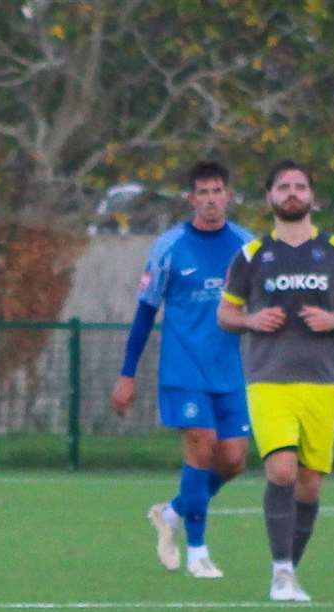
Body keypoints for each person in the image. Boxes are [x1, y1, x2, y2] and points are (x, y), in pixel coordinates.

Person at [217, 160, 334, 601]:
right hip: (269, 380)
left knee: (310, 483)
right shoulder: (250, 256)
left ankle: (288, 571)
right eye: (283, 186)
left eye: (300, 186)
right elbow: (225, 313)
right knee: (281, 469)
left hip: (321, 382)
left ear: (313, 197)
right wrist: (250, 319)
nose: (292, 192)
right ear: (270, 198)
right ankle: (281, 572)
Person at [111, 161, 255, 578]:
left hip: (228, 372)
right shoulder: (169, 246)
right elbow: (145, 313)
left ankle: (171, 512)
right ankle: (198, 553)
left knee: (232, 461)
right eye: (203, 192)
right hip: (183, 369)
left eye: (218, 191)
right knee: (202, 446)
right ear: (191, 199)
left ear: (228, 196)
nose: (211, 199)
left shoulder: (246, 247)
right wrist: (126, 374)